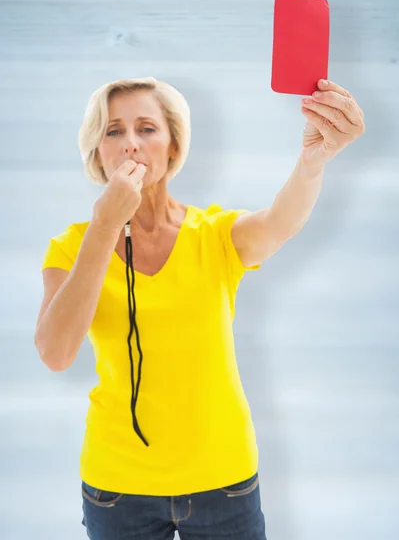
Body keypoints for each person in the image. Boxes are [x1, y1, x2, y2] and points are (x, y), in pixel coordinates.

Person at [35, 76, 269, 539]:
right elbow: (56, 354)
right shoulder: (70, 246)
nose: (131, 146)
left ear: (173, 144)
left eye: (146, 128)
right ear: (97, 153)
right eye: (113, 132)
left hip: (224, 478)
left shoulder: (216, 232)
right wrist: (105, 225)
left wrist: (314, 160)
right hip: (118, 486)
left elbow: (282, 220)